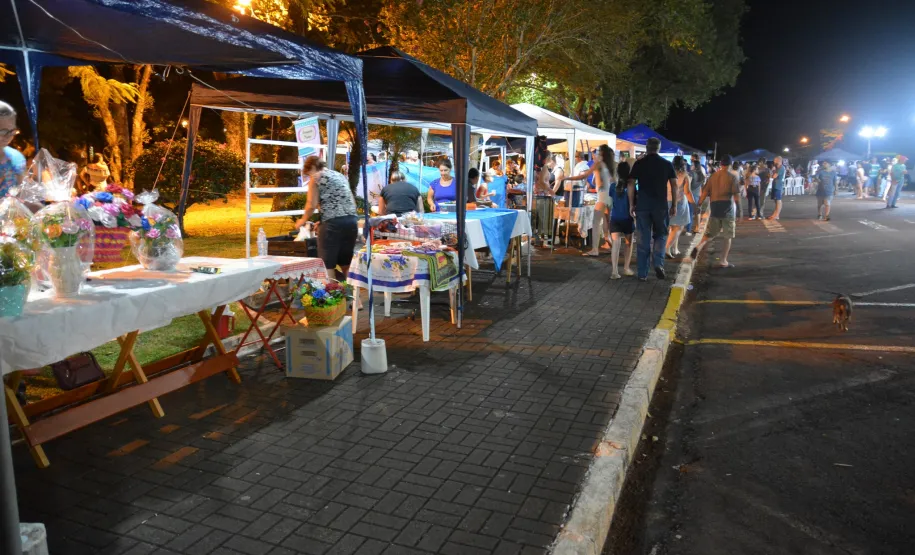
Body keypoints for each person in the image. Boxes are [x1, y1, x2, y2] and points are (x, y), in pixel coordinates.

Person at [294, 156, 358, 280]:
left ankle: (332, 292)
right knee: (346, 263)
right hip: (351, 221)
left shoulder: (316, 177)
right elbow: (348, 200)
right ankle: (354, 292)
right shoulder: (339, 175)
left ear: (312, 168)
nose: (309, 177)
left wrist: (302, 220)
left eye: (308, 173)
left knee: (327, 265)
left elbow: (311, 204)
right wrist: (323, 220)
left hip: (333, 224)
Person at [627, 137, 677, 281]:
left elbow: (631, 183)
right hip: (660, 206)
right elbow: (674, 185)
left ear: (646, 148)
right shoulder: (666, 164)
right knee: (661, 235)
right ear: (658, 148)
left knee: (643, 239)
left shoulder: (639, 164)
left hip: (643, 206)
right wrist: (674, 205)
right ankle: (658, 263)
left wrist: (631, 204)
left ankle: (642, 273)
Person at [563, 145, 616, 257]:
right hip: (609, 197)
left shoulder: (598, 164)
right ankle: (610, 244)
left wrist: (567, 178)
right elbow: (611, 181)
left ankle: (595, 249)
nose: (595, 154)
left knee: (596, 223)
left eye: (597, 152)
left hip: (602, 196)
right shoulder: (608, 165)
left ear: (601, 153)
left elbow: (584, 176)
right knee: (606, 221)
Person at [690, 156, 740, 268]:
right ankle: (723, 260)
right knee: (727, 236)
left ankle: (698, 246)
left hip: (714, 207)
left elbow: (705, 192)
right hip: (727, 208)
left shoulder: (713, 176)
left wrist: (699, 205)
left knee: (710, 233)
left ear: (721, 164)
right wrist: (740, 211)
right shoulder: (732, 177)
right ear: (730, 165)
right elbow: (736, 196)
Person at [609, 161, 635, 279]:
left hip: (615, 218)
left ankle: (614, 271)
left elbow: (610, 203)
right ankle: (626, 268)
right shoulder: (631, 186)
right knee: (628, 243)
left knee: (616, 244)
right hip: (627, 218)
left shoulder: (613, 186)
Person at [665, 156, 693, 258]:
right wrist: (694, 204)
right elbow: (687, 192)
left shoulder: (667, 173)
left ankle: (674, 249)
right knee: (678, 227)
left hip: (666, 201)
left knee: (671, 227)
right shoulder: (684, 175)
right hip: (679, 203)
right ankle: (667, 248)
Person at [0, 101, 26, 198]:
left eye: (12, 131)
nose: (8, 136)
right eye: (3, 131)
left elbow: (22, 195)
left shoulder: (16, 157)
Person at [686, 159, 706, 235]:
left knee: (690, 213)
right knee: (697, 212)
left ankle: (688, 230)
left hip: (691, 195)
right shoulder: (701, 175)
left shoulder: (691, 173)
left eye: (692, 165)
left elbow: (688, 186)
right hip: (698, 195)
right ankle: (697, 228)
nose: (691, 166)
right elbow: (702, 186)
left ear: (695, 166)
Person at [768, 156, 786, 220]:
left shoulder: (781, 168)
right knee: (776, 200)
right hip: (775, 185)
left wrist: (772, 171)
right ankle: (775, 214)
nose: (774, 162)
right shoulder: (777, 168)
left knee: (778, 200)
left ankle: (777, 215)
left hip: (778, 185)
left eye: (775, 161)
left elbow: (774, 176)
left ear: (779, 161)